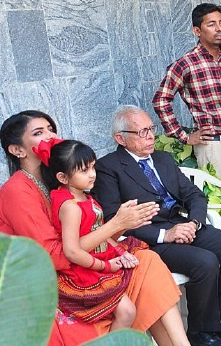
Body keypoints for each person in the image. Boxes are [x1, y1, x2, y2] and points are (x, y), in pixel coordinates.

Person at [0, 110, 221, 346]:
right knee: (143, 267)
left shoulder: (57, 180)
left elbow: (89, 231)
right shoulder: (17, 190)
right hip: (50, 280)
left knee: (145, 261)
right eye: (38, 133)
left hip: (80, 262)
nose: (50, 136)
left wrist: (119, 231)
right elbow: (54, 256)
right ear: (17, 149)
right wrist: (116, 228)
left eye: (51, 129)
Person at [93, 105, 221, 346]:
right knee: (205, 262)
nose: (149, 137)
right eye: (141, 132)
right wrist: (164, 235)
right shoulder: (108, 168)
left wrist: (194, 223)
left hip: (182, 225)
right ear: (120, 138)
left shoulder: (162, 159)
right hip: (148, 239)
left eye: (151, 129)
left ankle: (217, 320)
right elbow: (113, 219)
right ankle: (199, 331)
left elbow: (194, 195)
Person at [43, 139, 145, 330]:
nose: (92, 175)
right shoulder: (70, 206)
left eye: (92, 167)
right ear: (63, 178)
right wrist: (105, 266)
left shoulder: (83, 195)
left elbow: (97, 230)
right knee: (127, 312)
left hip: (99, 258)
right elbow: (72, 251)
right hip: (84, 269)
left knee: (131, 305)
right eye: (84, 170)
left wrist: (119, 252)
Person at [152, 3, 221, 204]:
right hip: (214, 145)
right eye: (211, 24)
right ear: (197, 31)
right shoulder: (186, 63)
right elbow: (161, 100)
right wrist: (183, 136)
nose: (219, 29)